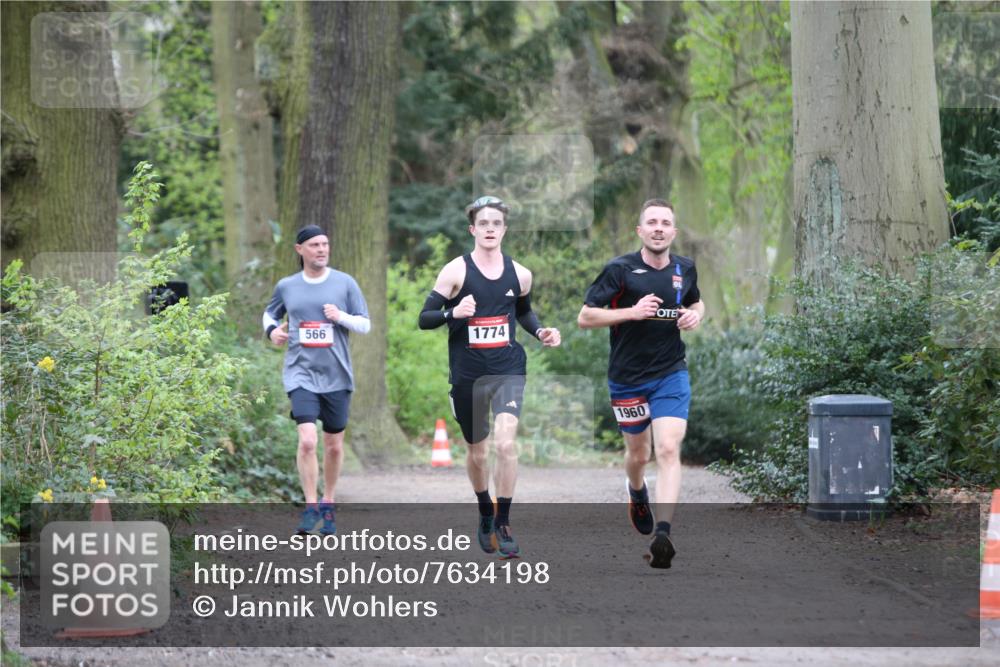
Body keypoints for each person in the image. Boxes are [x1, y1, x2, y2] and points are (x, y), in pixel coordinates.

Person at [419, 196, 560, 558]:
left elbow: (525, 314)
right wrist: (453, 313)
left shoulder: (521, 273)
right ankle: (485, 507)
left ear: (504, 229)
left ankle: (504, 522)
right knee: (478, 452)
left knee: (505, 443)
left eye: (496, 224)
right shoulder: (455, 271)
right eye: (484, 224)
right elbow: (425, 318)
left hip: (508, 368)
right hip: (468, 374)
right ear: (473, 229)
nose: (490, 230)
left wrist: (541, 331)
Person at [577, 199, 705, 568]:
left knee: (667, 450)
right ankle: (636, 492)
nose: (659, 228)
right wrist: (632, 313)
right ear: (641, 231)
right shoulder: (620, 270)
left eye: (666, 222)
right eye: (652, 222)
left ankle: (662, 534)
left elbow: (697, 304)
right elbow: (585, 317)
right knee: (639, 456)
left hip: (670, 374)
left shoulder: (685, 268)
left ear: (674, 232)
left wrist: (695, 317)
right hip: (627, 379)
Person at [263, 225, 371, 535]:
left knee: (334, 446)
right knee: (308, 441)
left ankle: (328, 502)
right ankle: (310, 508)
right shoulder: (287, 286)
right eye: (314, 245)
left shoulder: (345, 283)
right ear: (300, 250)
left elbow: (365, 324)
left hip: (337, 375)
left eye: (325, 244)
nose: (321, 249)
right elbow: (269, 315)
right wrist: (273, 332)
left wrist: (340, 317)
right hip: (301, 373)